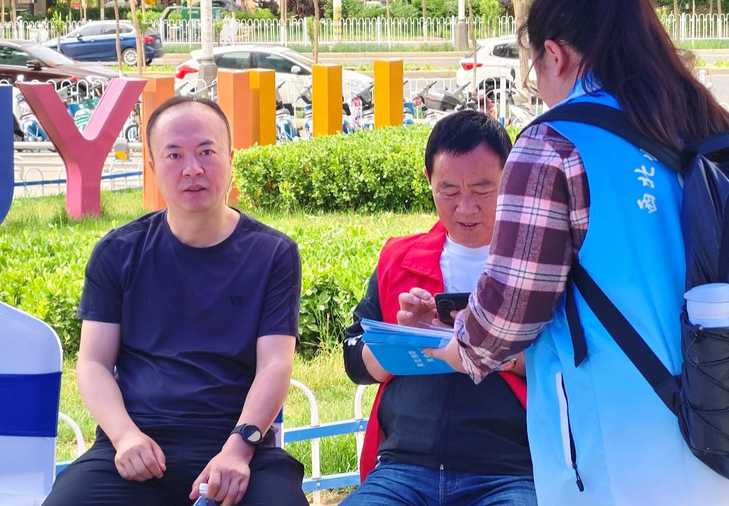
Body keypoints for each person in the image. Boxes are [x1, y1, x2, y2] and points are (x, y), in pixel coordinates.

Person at [421, 0, 729, 506]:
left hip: (626, 463)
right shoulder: (724, 131)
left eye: (534, 68)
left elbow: (507, 318)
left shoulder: (552, 143)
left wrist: (454, 343)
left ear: (555, 54)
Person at [44, 96, 308, 506]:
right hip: (139, 441)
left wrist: (238, 449)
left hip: (236, 442)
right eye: (174, 155)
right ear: (153, 167)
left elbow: (276, 364)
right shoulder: (118, 252)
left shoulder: (273, 253)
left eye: (206, 152)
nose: (192, 169)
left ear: (230, 159)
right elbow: (93, 363)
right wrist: (124, 436)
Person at [341, 110, 535, 506]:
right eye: (448, 190)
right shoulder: (399, 258)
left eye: (483, 189)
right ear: (429, 179)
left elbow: (578, 363)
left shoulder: (537, 263)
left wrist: (497, 351)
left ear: (510, 178)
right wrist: (406, 338)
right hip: (403, 468)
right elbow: (354, 360)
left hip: (510, 470)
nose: (466, 208)